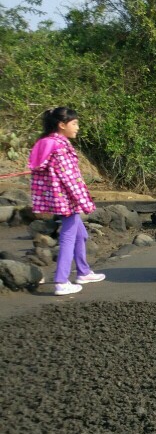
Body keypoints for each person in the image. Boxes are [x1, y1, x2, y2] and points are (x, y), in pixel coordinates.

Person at [27, 107, 104, 295]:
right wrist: (84, 202)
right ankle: (61, 281)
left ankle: (83, 272)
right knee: (68, 237)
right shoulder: (61, 146)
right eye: (75, 123)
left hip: (53, 198)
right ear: (62, 125)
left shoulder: (45, 143)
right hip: (66, 200)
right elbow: (70, 178)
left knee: (81, 235)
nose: (78, 127)